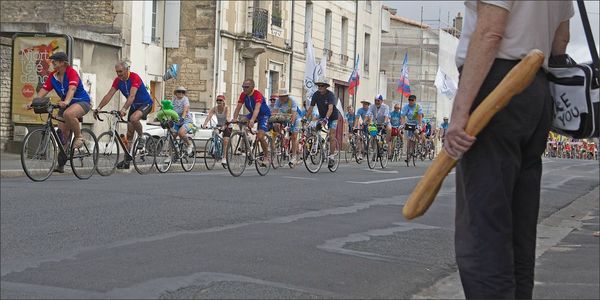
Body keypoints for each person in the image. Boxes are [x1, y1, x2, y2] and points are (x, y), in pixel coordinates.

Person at [443, 1, 573, 298]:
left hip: (497, 85)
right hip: (536, 88)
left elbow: (490, 31)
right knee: (519, 228)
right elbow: (561, 40)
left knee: (484, 229)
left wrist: (461, 112)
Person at [28, 52, 92, 173]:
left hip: (81, 102)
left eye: (54, 61)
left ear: (62, 63)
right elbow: (43, 90)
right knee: (63, 133)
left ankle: (79, 137)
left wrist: (67, 101)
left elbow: (72, 88)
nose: (52, 63)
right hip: (65, 104)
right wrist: (33, 102)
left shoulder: (71, 72)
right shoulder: (53, 76)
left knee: (68, 114)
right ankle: (61, 164)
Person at [96, 60, 154, 169]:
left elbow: (132, 96)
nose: (118, 74)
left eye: (120, 71)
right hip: (133, 106)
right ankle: (127, 160)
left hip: (145, 103)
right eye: (117, 72)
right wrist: (99, 108)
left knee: (133, 118)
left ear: (127, 70)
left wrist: (123, 109)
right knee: (129, 133)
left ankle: (142, 137)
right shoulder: (118, 81)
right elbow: (109, 95)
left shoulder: (134, 78)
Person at [232, 78, 271, 165]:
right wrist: (234, 118)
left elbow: (257, 109)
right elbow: (238, 107)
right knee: (241, 120)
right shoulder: (243, 95)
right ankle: (248, 142)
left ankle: (266, 156)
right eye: (243, 86)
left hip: (263, 115)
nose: (244, 88)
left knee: (260, 136)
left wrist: (252, 120)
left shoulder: (257, 95)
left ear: (252, 87)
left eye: (246, 87)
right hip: (253, 113)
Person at [306, 77, 339, 168]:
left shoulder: (330, 95)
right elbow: (311, 108)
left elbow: (330, 108)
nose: (319, 87)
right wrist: (305, 118)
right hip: (322, 115)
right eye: (318, 85)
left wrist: (326, 119)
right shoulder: (316, 95)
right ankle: (315, 145)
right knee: (313, 129)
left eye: (322, 86)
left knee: (332, 135)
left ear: (326, 87)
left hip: (333, 117)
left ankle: (332, 156)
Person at [272, 89, 302, 166]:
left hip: (296, 118)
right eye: (280, 97)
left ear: (287, 96)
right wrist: (275, 122)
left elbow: (294, 115)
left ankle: (294, 157)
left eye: (283, 97)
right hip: (285, 117)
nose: (281, 98)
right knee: (276, 126)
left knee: (294, 136)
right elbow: (274, 113)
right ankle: (281, 141)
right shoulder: (278, 101)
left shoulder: (292, 101)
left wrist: (291, 125)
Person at [203, 95, 231, 167]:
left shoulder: (227, 108)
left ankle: (224, 157)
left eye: (220, 100)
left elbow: (227, 117)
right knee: (214, 133)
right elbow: (209, 116)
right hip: (219, 125)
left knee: (225, 140)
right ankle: (215, 150)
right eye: (217, 100)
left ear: (223, 101)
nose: (219, 101)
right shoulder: (214, 108)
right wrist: (205, 124)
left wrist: (225, 125)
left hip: (227, 125)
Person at [170, 86, 195, 156]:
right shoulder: (174, 100)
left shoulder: (185, 99)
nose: (181, 93)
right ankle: (172, 154)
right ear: (176, 93)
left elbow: (185, 109)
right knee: (172, 136)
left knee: (181, 133)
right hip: (177, 122)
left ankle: (189, 144)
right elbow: (170, 109)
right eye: (179, 91)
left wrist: (183, 117)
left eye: (183, 92)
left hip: (187, 121)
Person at [400, 94, 423, 164]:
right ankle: (408, 156)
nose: (410, 101)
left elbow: (420, 116)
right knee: (409, 139)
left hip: (416, 123)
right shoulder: (406, 107)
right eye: (409, 100)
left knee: (416, 132)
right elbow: (403, 116)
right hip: (409, 123)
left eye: (412, 100)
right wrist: (403, 124)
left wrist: (419, 125)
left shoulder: (418, 107)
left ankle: (419, 140)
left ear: (415, 100)